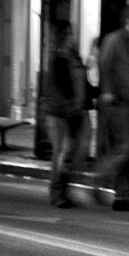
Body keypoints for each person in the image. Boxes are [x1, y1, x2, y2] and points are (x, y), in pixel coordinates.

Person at [94, 4, 129, 212]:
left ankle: (124, 196)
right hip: (120, 103)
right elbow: (105, 65)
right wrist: (107, 91)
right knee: (126, 146)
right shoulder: (115, 40)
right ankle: (99, 175)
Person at [38, 17, 90, 209]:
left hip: (74, 111)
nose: (71, 37)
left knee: (75, 152)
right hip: (59, 114)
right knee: (61, 152)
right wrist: (70, 105)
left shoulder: (73, 56)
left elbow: (81, 83)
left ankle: (63, 189)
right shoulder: (57, 59)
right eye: (67, 34)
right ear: (60, 37)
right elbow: (58, 87)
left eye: (71, 33)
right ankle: (57, 193)